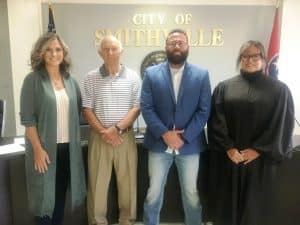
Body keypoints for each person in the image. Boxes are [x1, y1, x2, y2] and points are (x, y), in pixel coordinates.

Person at [207, 40, 294, 225]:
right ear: (240, 59)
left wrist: (258, 150)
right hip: (231, 159)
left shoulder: (279, 90)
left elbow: (280, 124)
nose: (250, 60)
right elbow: (216, 120)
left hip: (261, 162)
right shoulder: (224, 88)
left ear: (263, 59)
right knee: (227, 209)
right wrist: (229, 148)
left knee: (256, 210)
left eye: (255, 56)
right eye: (245, 56)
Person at [141, 29, 211, 225]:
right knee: (153, 192)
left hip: (189, 145)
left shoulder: (201, 74)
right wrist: (164, 133)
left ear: (188, 46)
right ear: (166, 47)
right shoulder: (151, 74)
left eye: (181, 42)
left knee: (191, 192)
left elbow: (204, 110)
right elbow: (146, 107)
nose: (177, 45)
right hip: (158, 144)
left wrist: (184, 136)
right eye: (172, 42)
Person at [20, 32, 86, 225]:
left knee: (58, 199)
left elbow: (79, 111)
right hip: (45, 151)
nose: (53, 53)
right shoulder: (32, 80)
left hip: (68, 150)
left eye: (58, 49)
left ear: (63, 53)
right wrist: (38, 150)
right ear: (40, 52)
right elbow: (28, 120)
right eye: (48, 49)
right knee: (44, 200)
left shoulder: (70, 80)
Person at [81, 35, 141, 225]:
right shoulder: (91, 77)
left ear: (121, 51)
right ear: (100, 53)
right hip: (100, 139)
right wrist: (104, 133)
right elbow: (87, 110)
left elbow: (136, 108)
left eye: (114, 48)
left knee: (128, 184)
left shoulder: (133, 76)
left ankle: (127, 221)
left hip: (125, 137)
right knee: (97, 186)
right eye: (106, 49)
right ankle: (97, 222)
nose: (110, 52)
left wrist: (116, 129)